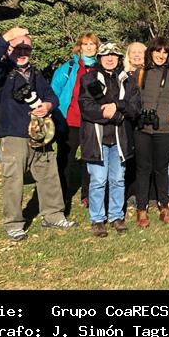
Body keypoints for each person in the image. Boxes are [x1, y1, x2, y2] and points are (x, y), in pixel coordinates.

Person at [0, 27, 78, 241]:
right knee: (13, 180)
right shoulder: (0, 71)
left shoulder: (34, 73)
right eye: (18, 48)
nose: (23, 52)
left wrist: (47, 106)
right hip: (13, 134)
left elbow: (52, 96)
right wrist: (7, 37)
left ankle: (53, 215)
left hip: (40, 133)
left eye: (27, 49)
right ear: (9, 49)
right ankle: (14, 224)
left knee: (49, 175)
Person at [78, 43, 141, 237]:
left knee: (118, 179)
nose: (110, 58)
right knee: (98, 180)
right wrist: (110, 114)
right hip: (96, 139)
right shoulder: (89, 79)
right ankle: (97, 219)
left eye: (114, 55)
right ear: (99, 58)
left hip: (120, 139)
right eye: (106, 55)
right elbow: (86, 107)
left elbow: (135, 107)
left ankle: (116, 216)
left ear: (119, 58)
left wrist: (117, 106)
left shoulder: (128, 80)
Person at [132, 38, 169, 227]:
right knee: (143, 169)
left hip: (164, 129)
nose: (161, 55)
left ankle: (164, 206)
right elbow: (132, 100)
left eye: (165, 52)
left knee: (161, 169)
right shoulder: (140, 73)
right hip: (142, 129)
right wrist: (138, 115)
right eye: (158, 51)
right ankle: (142, 208)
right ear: (151, 52)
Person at [51, 32, 100, 209]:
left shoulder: (100, 67)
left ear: (97, 47)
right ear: (79, 47)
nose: (89, 47)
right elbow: (53, 92)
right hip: (69, 121)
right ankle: (61, 196)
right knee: (65, 160)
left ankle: (87, 195)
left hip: (92, 122)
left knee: (90, 161)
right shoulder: (69, 67)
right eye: (85, 44)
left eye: (92, 44)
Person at [123, 41, 149, 211]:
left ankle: (149, 194)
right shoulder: (121, 74)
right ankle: (131, 193)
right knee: (129, 158)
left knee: (146, 159)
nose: (137, 55)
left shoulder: (150, 73)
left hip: (145, 121)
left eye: (141, 52)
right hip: (127, 121)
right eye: (134, 52)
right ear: (128, 55)